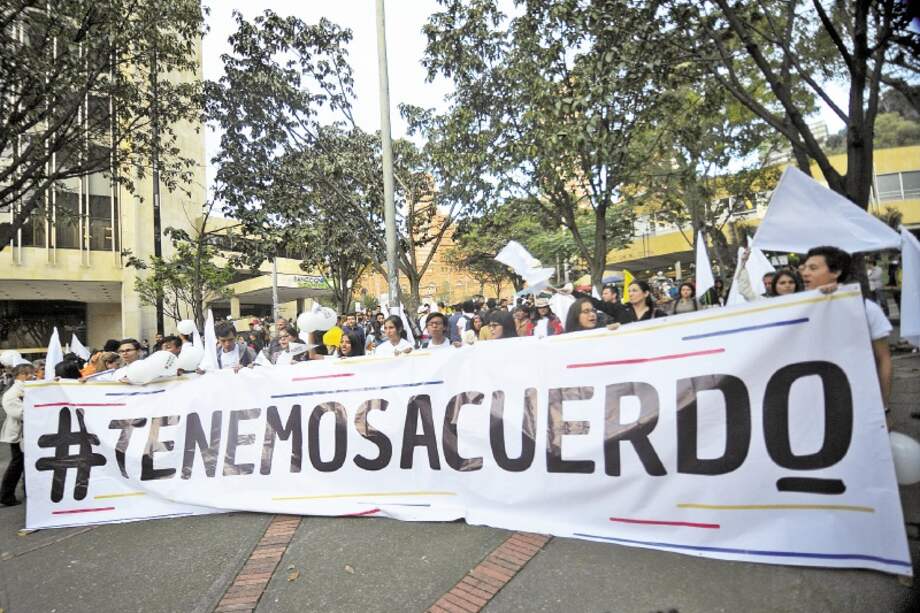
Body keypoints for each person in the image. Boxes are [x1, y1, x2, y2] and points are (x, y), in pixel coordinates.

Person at [801, 246, 893, 414]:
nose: (805, 273)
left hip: (857, 400)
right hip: (811, 402)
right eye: (804, 267)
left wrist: (884, 408)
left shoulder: (865, 308)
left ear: (835, 272)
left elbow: (883, 360)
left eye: (813, 268)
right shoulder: (796, 308)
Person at [1, 363, 34, 506]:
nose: (32, 376)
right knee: (17, 464)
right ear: (22, 375)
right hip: (18, 434)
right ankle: (6, 495)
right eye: (29, 374)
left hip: (27, 432)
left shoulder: (27, 389)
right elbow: (19, 413)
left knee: (24, 463)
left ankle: (26, 489)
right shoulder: (12, 394)